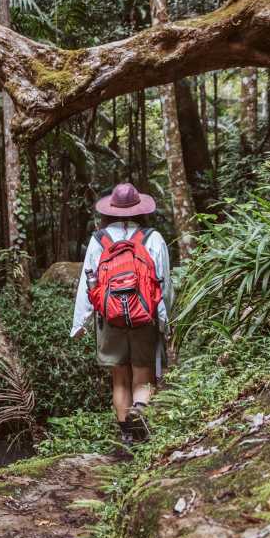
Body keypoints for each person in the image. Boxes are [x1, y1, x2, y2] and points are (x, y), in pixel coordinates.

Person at [70, 183, 173, 444]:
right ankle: (140, 413)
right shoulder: (153, 238)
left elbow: (87, 283)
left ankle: (126, 435)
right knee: (143, 372)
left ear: (110, 209)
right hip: (145, 317)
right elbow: (164, 283)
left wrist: (80, 323)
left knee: (119, 379)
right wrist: (165, 320)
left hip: (109, 320)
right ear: (140, 209)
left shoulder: (98, 240)